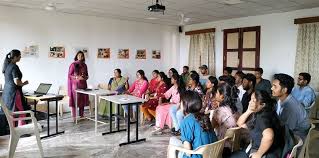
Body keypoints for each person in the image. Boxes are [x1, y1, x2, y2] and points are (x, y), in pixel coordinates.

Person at [233, 90, 284, 158]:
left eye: (253, 101)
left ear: (263, 104)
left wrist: (259, 154)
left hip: (265, 153)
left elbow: (269, 136)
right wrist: (249, 111)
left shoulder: (262, 117)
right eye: (250, 100)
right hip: (272, 151)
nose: (249, 102)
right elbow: (240, 123)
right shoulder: (267, 112)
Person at [169, 90, 217, 158]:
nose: (180, 105)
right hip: (212, 154)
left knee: (172, 142)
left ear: (185, 104)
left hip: (198, 155)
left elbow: (188, 151)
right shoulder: (205, 117)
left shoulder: (186, 121)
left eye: (181, 102)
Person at [271, 73, 310, 141]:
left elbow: (287, 131)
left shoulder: (291, 108)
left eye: (275, 86)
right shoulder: (280, 100)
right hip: (287, 130)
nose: (271, 88)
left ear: (284, 90)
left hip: (296, 137)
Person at [2, 49, 29, 126]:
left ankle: (13, 130)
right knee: (22, 111)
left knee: (11, 112)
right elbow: (16, 82)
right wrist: (24, 83)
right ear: (15, 57)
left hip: (7, 92)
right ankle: (22, 131)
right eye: (19, 56)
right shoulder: (14, 67)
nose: (20, 57)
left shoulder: (7, 66)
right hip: (14, 92)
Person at [211, 83, 239, 153]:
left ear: (222, 96)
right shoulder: (234, 109)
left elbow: (211, 127)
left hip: (222, 145)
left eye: (217, 93)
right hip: (234, 144)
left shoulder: (219, 111)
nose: (215, 95)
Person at [68, 51, 89, 122]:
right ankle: (74, 117)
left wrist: (85, 77)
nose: (80, 56)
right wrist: (76, 77)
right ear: (76, 56)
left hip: (83, 84)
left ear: (83, 57)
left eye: (82, 55)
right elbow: (69, 75)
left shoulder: (85, 65)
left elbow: (87, 75)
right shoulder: (73, 65)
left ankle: (81, 115)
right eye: (79, 55)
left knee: (82, 101)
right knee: (75, 101)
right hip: (75, 86)